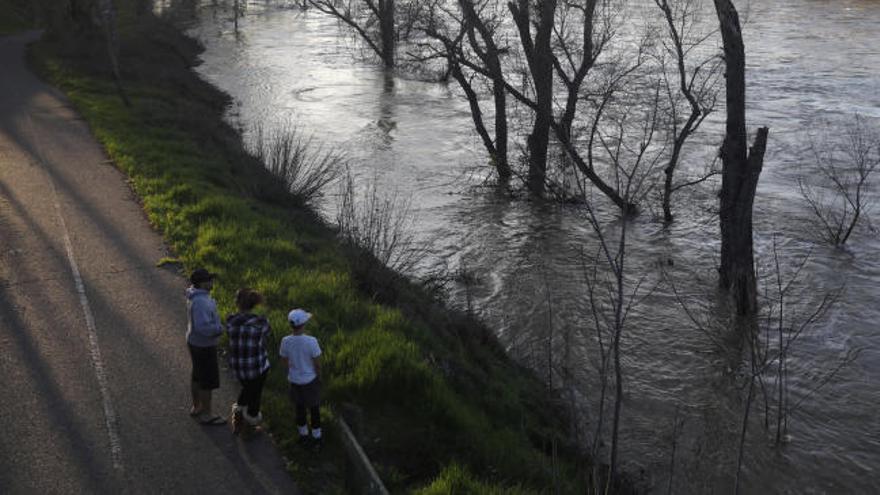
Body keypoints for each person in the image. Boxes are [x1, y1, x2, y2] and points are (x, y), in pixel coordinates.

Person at [226, 288, 271, 438]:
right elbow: (266, 339)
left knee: (247, 389)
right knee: (255, 395)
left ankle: (237, 417)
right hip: (256, 368)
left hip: (238, 367)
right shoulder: (261, 322)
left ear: (237, 303)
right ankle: (249, 429)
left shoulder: (231, 321)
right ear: (254, 304)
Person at [186, 268, 225, 425]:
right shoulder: (201, 302)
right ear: (202, 283)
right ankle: (207, 414)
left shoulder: (194, 295)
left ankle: (197, 406)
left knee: (197, 375)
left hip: (194, 341)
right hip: (203, 345)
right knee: (207, 380)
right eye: (210, 280)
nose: (212, 282)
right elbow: (203, 327)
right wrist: (220, 329)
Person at [279, 308, 322, 448]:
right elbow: (317, 363)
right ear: (303, 324)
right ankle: (317, 436)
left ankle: (303, 434)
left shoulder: (285, 341)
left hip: (294, 380)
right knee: (314, 408)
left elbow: (284, 361)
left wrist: (292, 370)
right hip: (310, 380)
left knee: (300, 408)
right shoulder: (311, 341)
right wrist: (319, 377)